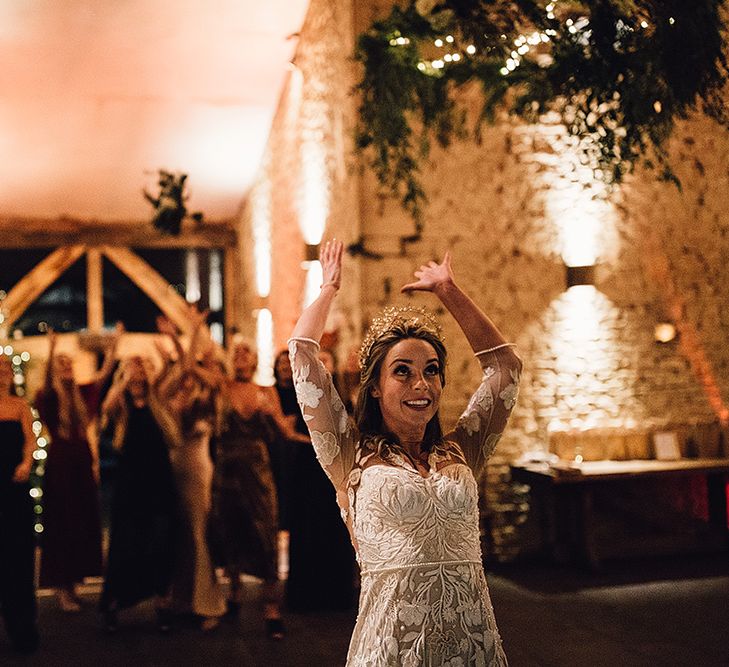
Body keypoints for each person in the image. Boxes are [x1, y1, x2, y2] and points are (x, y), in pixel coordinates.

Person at [289, 240, 521, 665]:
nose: (421, 384)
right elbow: (303, 353)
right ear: (374, 388)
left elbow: (505, 368)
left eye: (431, 371)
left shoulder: (461, 449)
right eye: (403, 372)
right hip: (393, 650)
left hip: (472, 646)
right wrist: (328, 289)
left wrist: (449, 291)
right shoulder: (349, 455)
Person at [209, 340, 308, 639]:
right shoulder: (221, 386)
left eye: (246, 352)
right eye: (235, 351)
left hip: (256, 469)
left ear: (254, 361)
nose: (240, 355)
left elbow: (286, 430)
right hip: (226, 469)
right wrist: (194, 328)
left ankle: (271, 609)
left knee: (265, 533)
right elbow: (192, 369)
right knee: (230, 531)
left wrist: (273, 416)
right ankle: (235, 594)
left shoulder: (266, 392)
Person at [35, 330, 116, 612]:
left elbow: (104, 375)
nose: (67, 368)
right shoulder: (48, 396)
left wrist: (114, 345)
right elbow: (46, 382)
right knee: (62, 521)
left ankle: (74, 584)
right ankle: (61, 587)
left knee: (81, 519)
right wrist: (51, 350)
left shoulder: (82, 392)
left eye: (69, 363)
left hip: (81, 460)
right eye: (62, 364)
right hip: (61, 463)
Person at [99, 356, 180, 633]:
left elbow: (178, 371)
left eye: (141, 372)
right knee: (125, 543)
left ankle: (163, 605)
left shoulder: (159, 401)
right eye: (132, 374)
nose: (137, 378)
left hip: (159, 482)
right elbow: (106, 407)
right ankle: (112, 605)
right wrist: (123, 380)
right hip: (130, 484)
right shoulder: (121, 405)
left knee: (162, 540)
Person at [159, 308, 226, 631]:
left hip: (198, 471)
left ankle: (209, 603)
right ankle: (183, 599)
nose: (186, 379)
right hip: (172, 471)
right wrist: (177, 338)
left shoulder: (207, 395)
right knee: (181, 536)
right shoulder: (168, 400)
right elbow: (180, 370)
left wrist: (194, 330)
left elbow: (192, 367)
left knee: (199, 535)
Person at [280, 347, 356, 613]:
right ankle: (305, 595)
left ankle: (336, 594)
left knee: (335, 528)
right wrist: (320, 444)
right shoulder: (299, 396)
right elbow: (289, 432)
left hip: (336, 469)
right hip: (308, 467)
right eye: (319, 362)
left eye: (327, 362)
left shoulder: (345, 397)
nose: (323, 366)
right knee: (306, 528)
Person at [0, 355, 39, 653]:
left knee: (18, 558)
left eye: (6, 370)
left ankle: (22, 627)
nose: (2, 374)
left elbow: (30, 440)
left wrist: (26, 462)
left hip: (14, 488)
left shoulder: (20, 406)